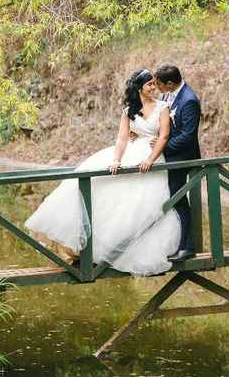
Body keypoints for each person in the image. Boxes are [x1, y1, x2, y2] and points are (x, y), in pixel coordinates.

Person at [24, 69, 181, 276]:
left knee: (142, 204)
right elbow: (122, 138)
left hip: (151, 156)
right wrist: (116, 159)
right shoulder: (128, 111)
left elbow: (163, 137)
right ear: (139, 88)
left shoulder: (163, 107)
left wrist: (150, 159)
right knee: (101, 188)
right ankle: (87, 247)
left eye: (154, 84)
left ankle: (123, 249)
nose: (154, 88)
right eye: (149, 84)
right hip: (131, 153)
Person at [153, 64, 201, 262]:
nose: (157, 88)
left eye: (159, 84)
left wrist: (161, 146)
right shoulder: (167, 96)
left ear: (170, 83)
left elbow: (188, 136)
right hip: (169, 156)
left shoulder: (189, 100)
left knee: (178, 199)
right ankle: (172, 243)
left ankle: (188, 246)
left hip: (182, 157)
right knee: (168, 198)